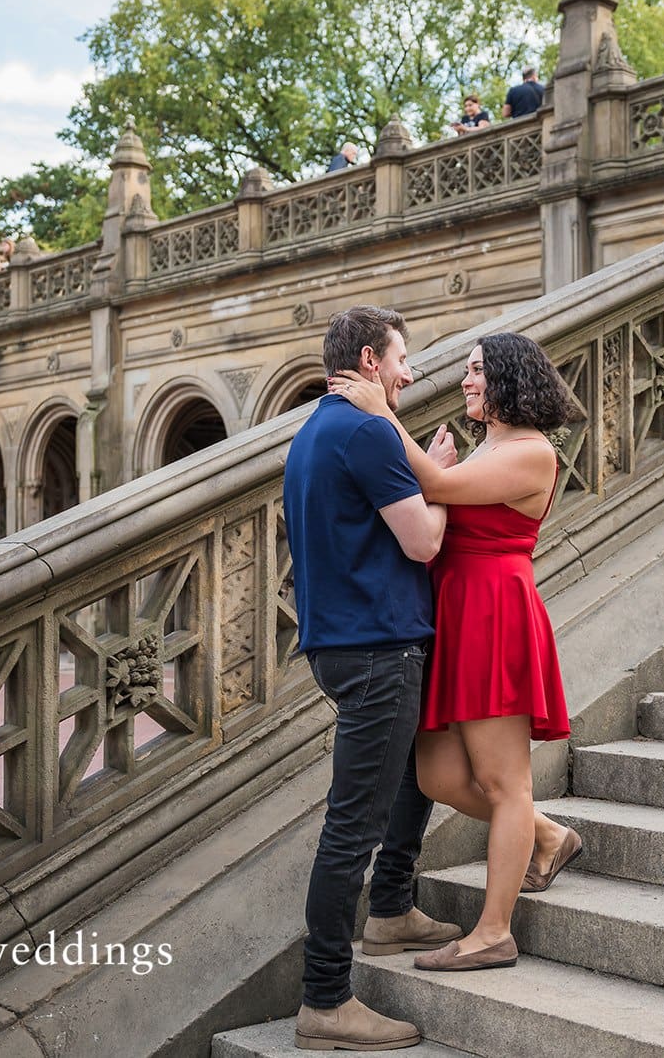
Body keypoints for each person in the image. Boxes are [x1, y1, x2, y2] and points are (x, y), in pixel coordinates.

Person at [329, 331, 583, 974]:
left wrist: (382, 414)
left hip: (494, 611)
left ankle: (494, 931)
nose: (465, 381)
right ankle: (546, 835)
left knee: (505, 783)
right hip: (454, 611)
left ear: (508, 379)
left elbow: (436, 484)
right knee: (437, 777)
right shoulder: (491, 445)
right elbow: (437, 490)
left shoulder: (531, 452)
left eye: (476, 372)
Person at [283, 305, 464, 1051]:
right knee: (349, 824)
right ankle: (325, 995)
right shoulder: (364, 429)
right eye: (401, 358)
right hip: (376, 650)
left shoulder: (313, 432)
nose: (409, 372)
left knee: (414, 773)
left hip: (345, 645)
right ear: (367, 359)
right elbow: (422, 539)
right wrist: (444, 478)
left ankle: (390, 907)